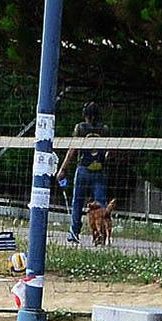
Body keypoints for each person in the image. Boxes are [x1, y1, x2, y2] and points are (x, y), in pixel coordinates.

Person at [57, 101, 109, 245]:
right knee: (101, 204)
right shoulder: (104, 129)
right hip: (99, 169)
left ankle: (74, 232)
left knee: (77, 202)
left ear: (85, 114)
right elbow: (109, 150)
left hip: (83, 169)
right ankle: (101, 234)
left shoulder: (80, 128)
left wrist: (63, 169)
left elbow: (73, 149)